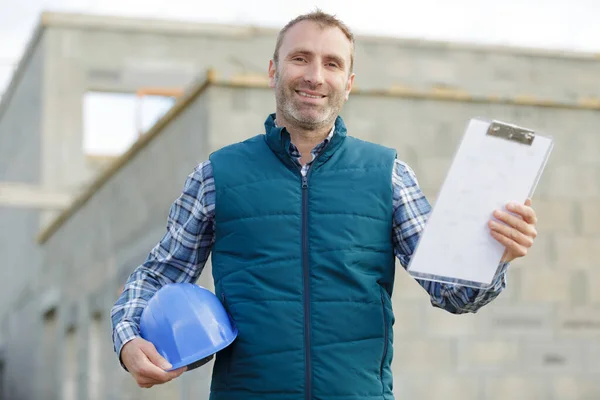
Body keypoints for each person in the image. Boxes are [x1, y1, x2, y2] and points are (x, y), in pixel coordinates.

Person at [111, 9, 539, 399]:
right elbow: (157, 276)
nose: (315, 75)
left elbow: (454, 293)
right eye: (301, 58)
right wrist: (128, 338)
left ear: (348, 84)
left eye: (332, 63)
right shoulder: (216, 176)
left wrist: (494, 252)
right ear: (274, 71)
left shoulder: (388, 174)